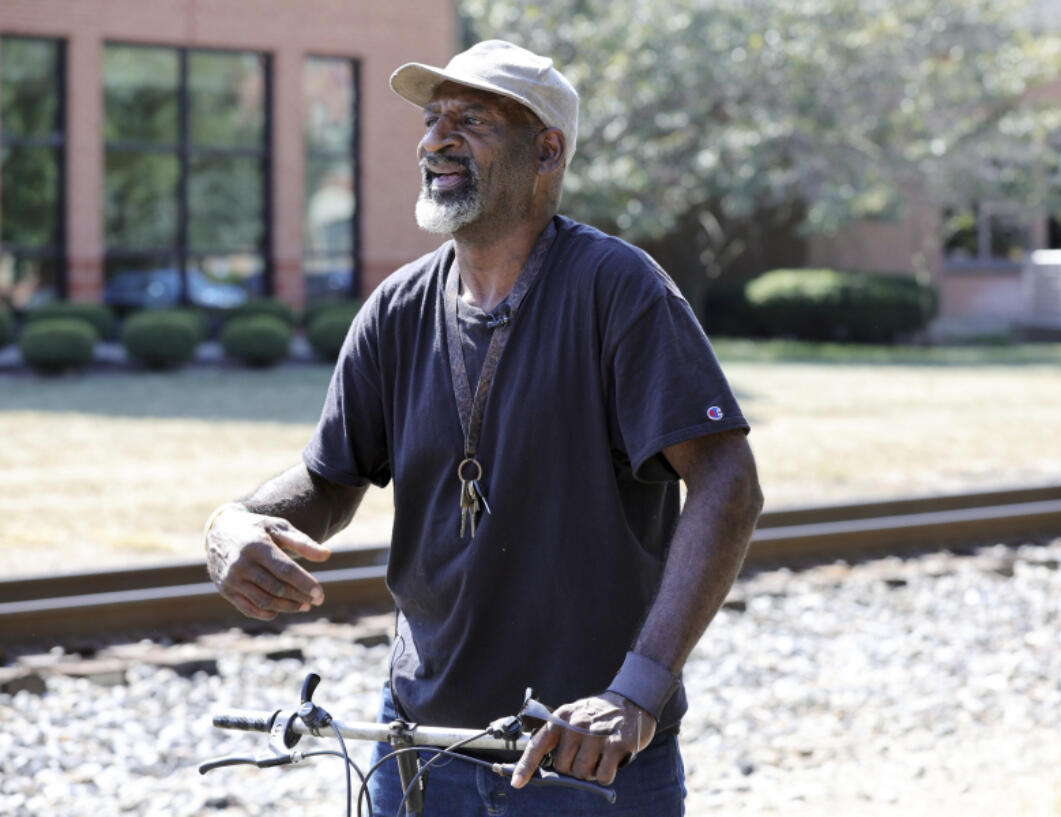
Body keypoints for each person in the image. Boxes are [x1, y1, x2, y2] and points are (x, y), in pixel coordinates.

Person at [203, 38, 762, 816]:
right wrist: (237, 521)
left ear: (547, 150)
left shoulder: (619, 291)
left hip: (585, 756)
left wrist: (636, 692)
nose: (436, 140)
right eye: (433, 121)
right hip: (418, 748)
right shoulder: (396, 309)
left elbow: (727, 481)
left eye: (471, 120)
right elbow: (330, 479)